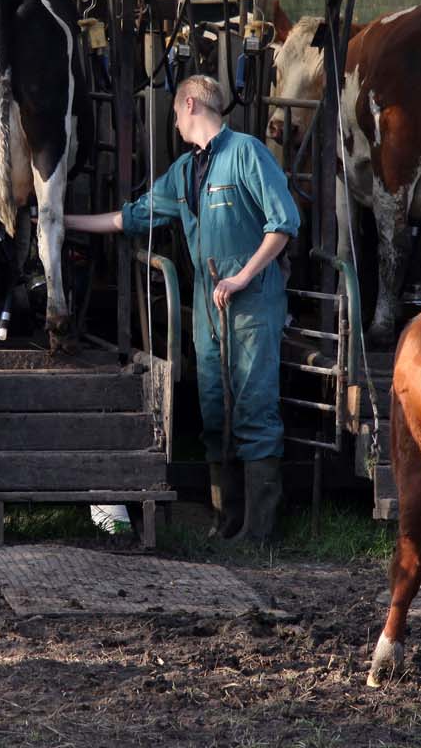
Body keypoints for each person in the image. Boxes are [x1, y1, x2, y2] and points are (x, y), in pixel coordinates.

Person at [65, 75, 298, 545]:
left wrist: (243, 275)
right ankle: (225, 519)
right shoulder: (185, 171)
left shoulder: (246, 153)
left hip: (251, 304)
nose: (173, 121)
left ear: (190, 103)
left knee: (254, 406)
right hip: (209, 310)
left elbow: (284, 223)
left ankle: (259, 530)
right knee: (214, 408)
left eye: (174, 113)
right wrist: (59, 220)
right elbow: (133, 216)